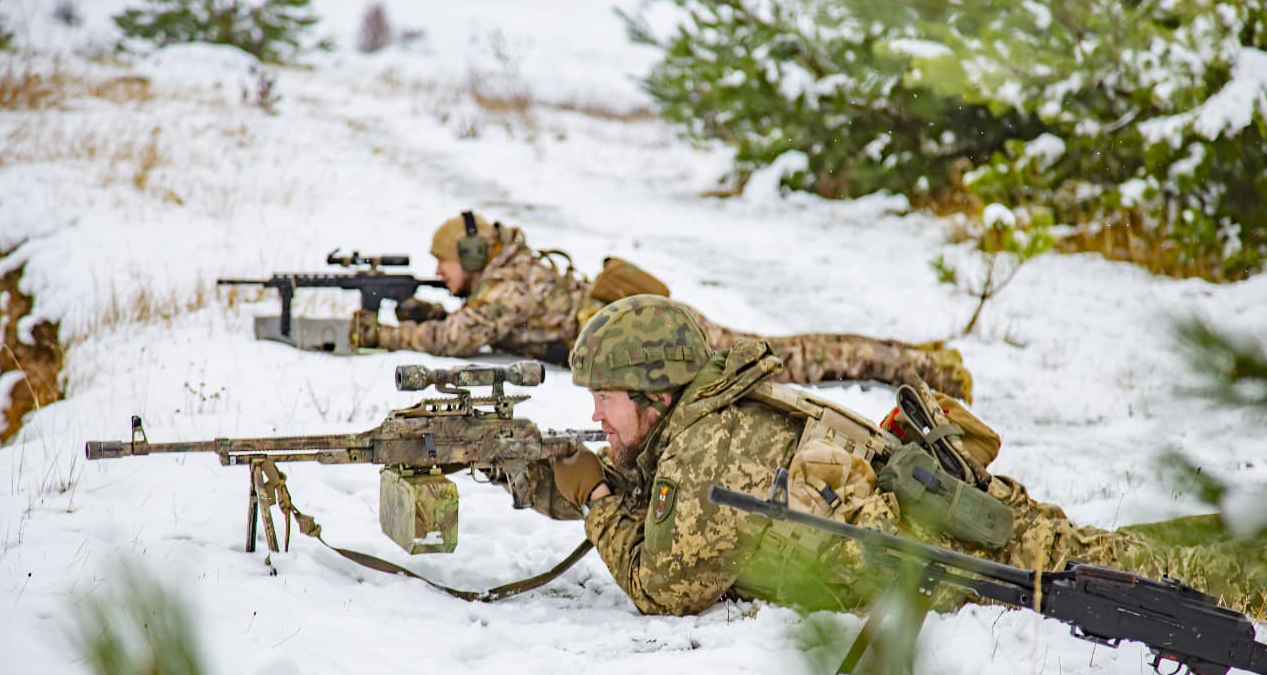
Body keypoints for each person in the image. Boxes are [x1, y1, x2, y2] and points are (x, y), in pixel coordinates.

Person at [543, 295, 1258, 617]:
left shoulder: (708, 448)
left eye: (606, 396)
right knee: (1112, 549)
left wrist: (596, 501)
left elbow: (665, 587)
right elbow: (673, 508)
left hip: (962, 542)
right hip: (942, 519)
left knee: (1148, 575)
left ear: (656, 394)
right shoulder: (704, 420)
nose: (596, 414)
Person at [349, 211, 975, 400]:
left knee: (792, 359)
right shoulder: (507, 277)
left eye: (443, 262)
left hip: (659, 339)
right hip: (644, 333)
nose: (436, 273)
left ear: (471, 253)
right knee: (793, 352)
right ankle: (913, 357)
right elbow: (474, 327)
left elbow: (458, 342)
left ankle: (922, 368)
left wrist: (380, 338)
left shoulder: (514, 285)